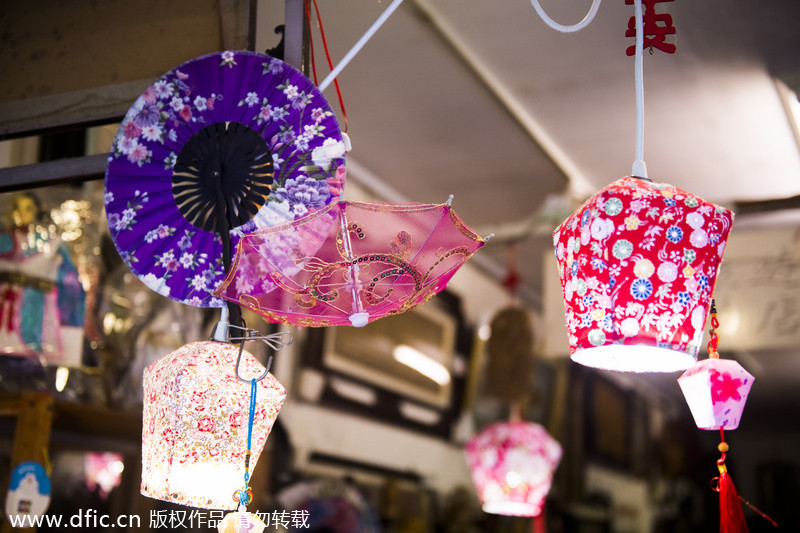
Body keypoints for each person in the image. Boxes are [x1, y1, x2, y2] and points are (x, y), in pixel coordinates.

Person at [0, 192, 85, 366]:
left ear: (36, 211)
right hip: (5, 304)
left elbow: (69, 280)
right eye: (16, 207)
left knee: (31, 352)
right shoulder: (4, 240)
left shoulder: (49, 242)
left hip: (36, 306)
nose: (21, 213)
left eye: (28, 208)